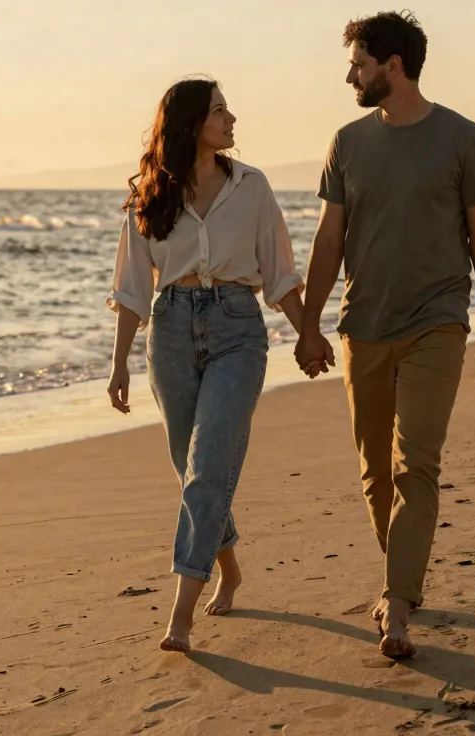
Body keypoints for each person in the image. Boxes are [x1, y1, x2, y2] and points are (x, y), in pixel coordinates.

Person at [294, 11, 475, 660]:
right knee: (375, 473)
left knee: (417, 461)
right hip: (364, 326)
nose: (349, 75)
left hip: (437, 324)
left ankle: (396, 603)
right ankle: (405, 581)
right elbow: (330, 241)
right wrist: (308, 324)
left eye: (358, 64)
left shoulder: (464, 139)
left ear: (393, 66)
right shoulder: (347, 142)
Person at [106, 77, 308, 653]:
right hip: (168, 332)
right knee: (189, 465)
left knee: (208, 466)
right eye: (220, 111)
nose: (232, 118)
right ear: (193, 123)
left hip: (236, 330)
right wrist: (119, 364)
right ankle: (230, 567)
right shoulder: (152, 192)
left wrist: (308, 335)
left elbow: (280, 273)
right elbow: (129, 289)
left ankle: (180, 616)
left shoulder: (252, 186)